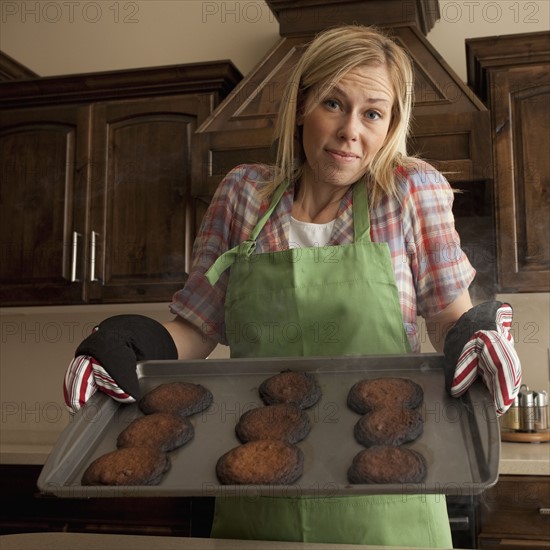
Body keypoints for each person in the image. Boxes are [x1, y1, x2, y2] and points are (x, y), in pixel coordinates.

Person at [64, 25, 521, 547]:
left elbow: (446, 316)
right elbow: (197, 326)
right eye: (333, 103)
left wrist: (474, 336)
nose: (352, 130)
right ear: (301, 105)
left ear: (391, 123)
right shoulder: (243, 194)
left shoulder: (412, 191)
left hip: (385, 490)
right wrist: (132, 344)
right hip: (256, 489)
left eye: (372, 112)